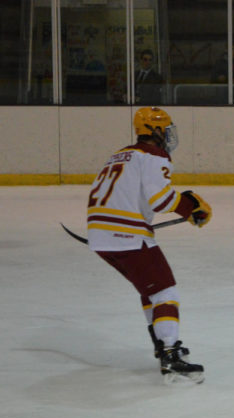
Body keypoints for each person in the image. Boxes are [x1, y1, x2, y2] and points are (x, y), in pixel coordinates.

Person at [86, 107, 212, 382]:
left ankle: (160, 343)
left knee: (149, 290)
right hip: (126, 234)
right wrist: (190, 208)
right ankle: (170, 353)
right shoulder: (154, 155)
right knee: (166, 292)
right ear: (155, 131)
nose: (168, 136)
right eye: (165, 130)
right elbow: (161, 200)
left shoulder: (119, 154)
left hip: (99, 234)